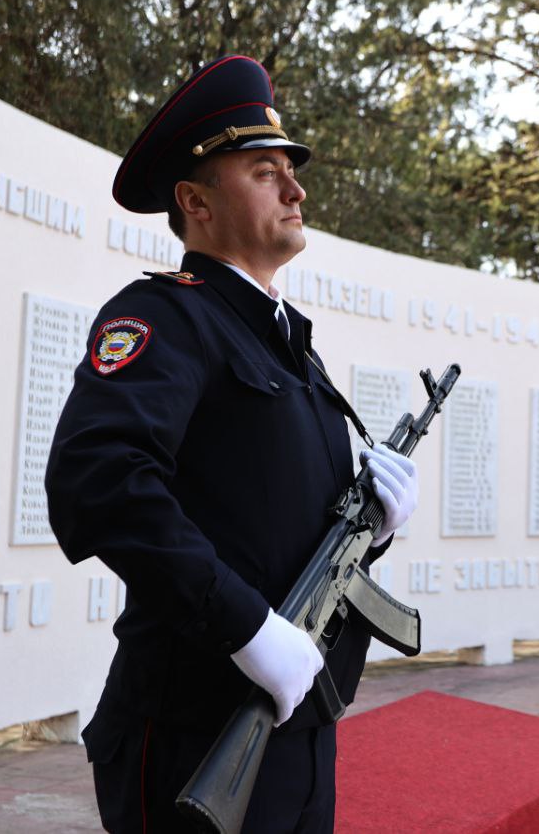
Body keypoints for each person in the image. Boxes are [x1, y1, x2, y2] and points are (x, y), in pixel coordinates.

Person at [45, 54, 419, 833]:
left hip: (301, 728)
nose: (296, 189)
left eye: (291, 169)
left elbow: (271, 525)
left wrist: (372, 535)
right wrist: (246, 627)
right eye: (263, 171)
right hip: (194, 733)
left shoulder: (294, 351)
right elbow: (98, 479)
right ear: (195, 200)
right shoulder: (167, 319)